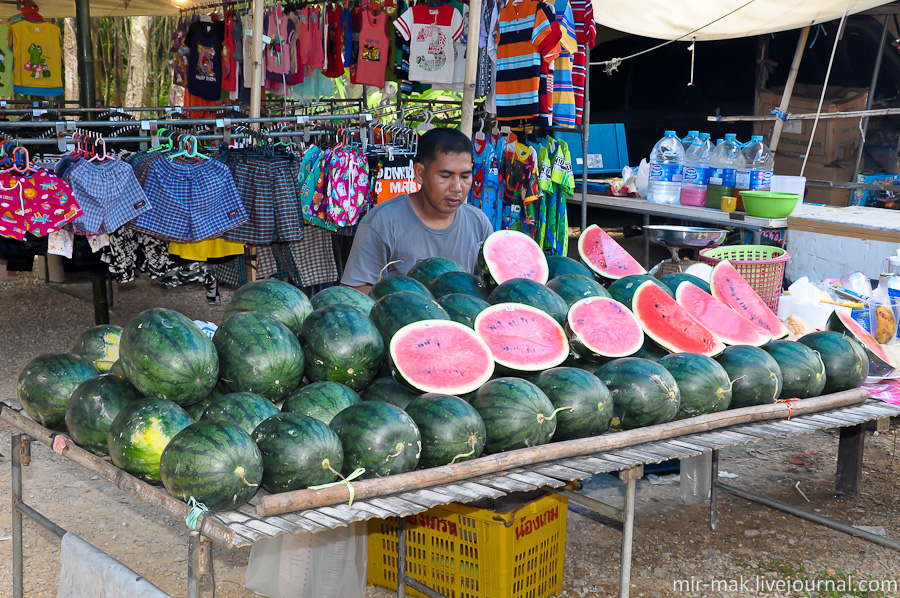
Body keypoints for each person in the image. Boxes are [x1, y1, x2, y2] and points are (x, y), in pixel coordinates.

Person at [341, 128, 493, 295]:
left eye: (465, 176)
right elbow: (356, 293)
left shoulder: (479, 223)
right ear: (420, 173)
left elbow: (486, 289)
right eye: (445, 176)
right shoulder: (380, 223)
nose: (457, 187)